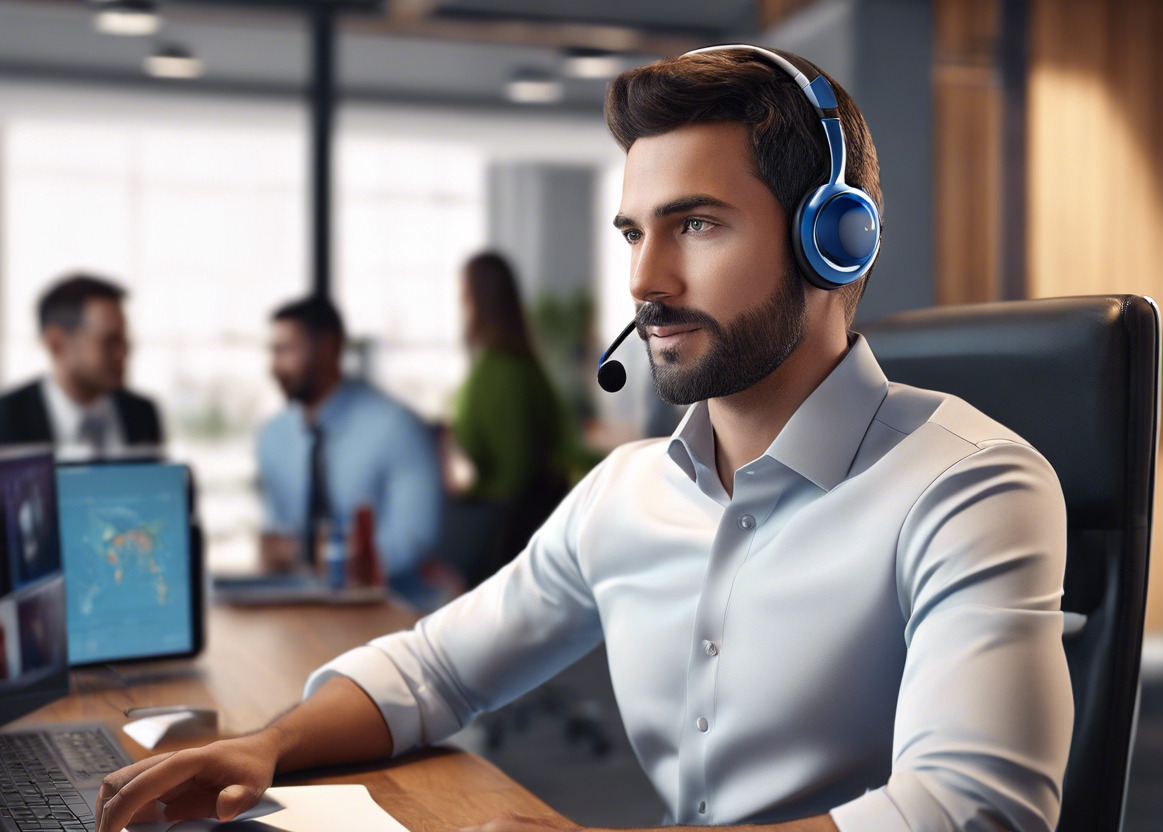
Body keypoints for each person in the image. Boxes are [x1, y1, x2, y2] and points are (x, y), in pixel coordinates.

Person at [93, 46, 1072, 832]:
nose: (644, 279)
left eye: (694, 225)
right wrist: (270, 743)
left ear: (834, 240)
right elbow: (436, 669)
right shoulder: (627, 490)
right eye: (632, 233)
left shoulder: (968, 485)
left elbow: (968, 809)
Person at [255, 296, 442, 587]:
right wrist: (277, 551)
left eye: (286, 350)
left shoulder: (398, 427)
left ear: (328, 347)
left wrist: (336, 563)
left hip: (388, 603)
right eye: (273, 351)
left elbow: (415, 537)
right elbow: (277, 529)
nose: (274, 367)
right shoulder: (272, 436)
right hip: (299, 601)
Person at [448, 251, 569, 584]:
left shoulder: (499, 372)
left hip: (505, 536)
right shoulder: (523, 366)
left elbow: (515, 469)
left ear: (477, 298)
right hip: (523, 526)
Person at [0, 274, 163, 458]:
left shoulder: (142, 413)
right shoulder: (6, 417)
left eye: (124, 340)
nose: (123, 352)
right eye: (110, 341)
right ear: (56, 343)